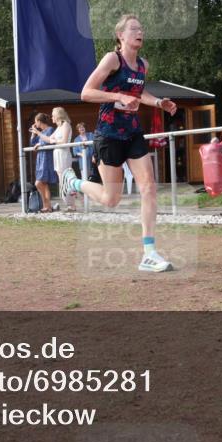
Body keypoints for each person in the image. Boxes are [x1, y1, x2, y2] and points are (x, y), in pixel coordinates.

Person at [61, 14, 179, 273]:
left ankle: (149, 253)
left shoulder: (142, 65)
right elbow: (86, 92)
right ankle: (74, 182)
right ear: (120, 36)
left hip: (133, 133)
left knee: (149, 186)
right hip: (109, 134)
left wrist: (158, 102)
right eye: (134, 28)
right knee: (111, 199)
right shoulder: (112, 59)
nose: (140, 32)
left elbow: (139, 93)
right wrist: (118, 96)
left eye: (141, 28)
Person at [29, 113, 57, 213]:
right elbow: (32, 143)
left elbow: (48, 141)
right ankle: (47, 206)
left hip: (47, 158)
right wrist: (33, 133)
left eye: (36, 121)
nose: (35, 123)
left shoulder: (50, 130)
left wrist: (39, 142)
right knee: (43, 184)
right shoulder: (41, 131)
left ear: (39, 122)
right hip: (41, 158)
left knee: (39, 183)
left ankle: (47, 205)